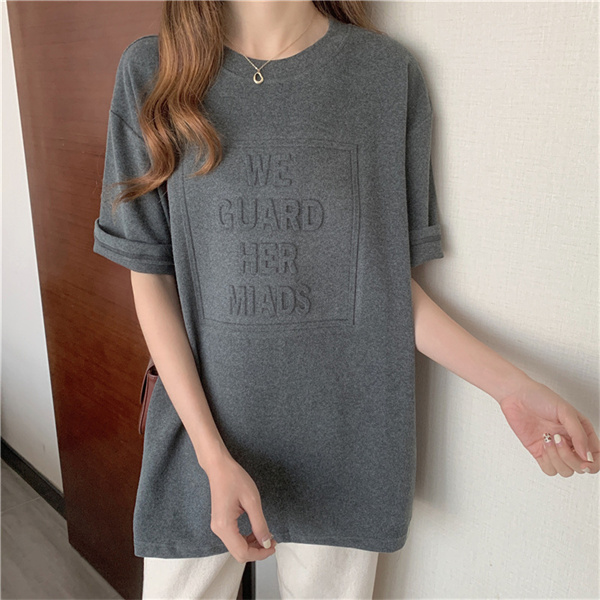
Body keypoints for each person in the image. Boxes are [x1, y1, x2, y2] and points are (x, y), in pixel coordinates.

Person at [92, 1, 599, 598]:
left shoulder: (383, 75)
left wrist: (511, 388)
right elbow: (150, 277)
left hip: (348, 438)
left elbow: (382, 288)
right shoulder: (154, 70)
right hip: (201, 437)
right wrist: (211, 455)